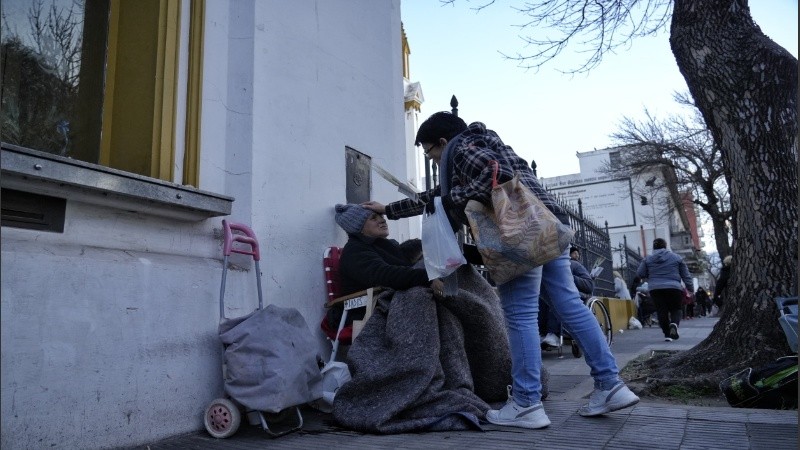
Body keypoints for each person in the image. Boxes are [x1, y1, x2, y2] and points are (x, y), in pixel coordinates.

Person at [362, 112, 638, 429]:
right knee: (570, 305)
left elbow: (495, 178)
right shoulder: (488, 141)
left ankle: (526, 403)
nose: (434, 161)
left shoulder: (463, 147)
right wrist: (390, 210)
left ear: (443, 142)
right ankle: (610, 384)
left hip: (517, 233)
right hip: (548, 223)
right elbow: (440, 195)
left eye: (431, 154)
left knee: (520, 315)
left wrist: (453, 197)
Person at [325, 204, 445, 331]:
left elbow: (402, 254)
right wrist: (428, 277)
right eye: (373, 218)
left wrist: (432, 243)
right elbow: (385, 274)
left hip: (390, 301)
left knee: (451, 271)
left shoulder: (382, 244)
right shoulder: (355, 250)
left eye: (381, 216)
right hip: (368, 309)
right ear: (358, 227)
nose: (382, 220)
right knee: (425, 296)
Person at [636, 238, 694, 342]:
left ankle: (667, 334)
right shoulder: (676, 258)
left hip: (655, 289)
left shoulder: (647, 259)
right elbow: (686, 275)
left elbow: (640, 273)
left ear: (654, 247)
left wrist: (650, 274)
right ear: (665, 246)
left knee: (661, 310)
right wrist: (690, 288)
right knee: (676, 309)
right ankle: (674, 324)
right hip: (674, 288)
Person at [540, 246, 594, 347]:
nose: (576, 255)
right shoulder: (546, 268)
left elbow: (589, 285)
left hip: (576, 294)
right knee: (542, 299)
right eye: (574, 253)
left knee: (557, 297)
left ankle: (553, 333)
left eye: (577, 254)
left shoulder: (575, 265)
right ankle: (543, 333)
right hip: (557, 292)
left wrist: (568, 277)